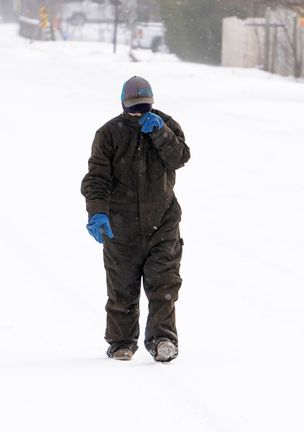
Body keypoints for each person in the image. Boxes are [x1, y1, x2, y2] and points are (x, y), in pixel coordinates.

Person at [81, 76, 191, 362]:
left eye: (145, 107)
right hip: (121, 225)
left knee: (163, 284)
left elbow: (179, 158)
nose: (139, 113)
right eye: (134, 108)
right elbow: (97, 178)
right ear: (122, 104)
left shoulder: (165, 125)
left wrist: (161, 134)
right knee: (122, 287)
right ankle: (121, 342)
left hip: (163, 222)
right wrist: (97, 212)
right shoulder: (109, 134)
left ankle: (163, 339)